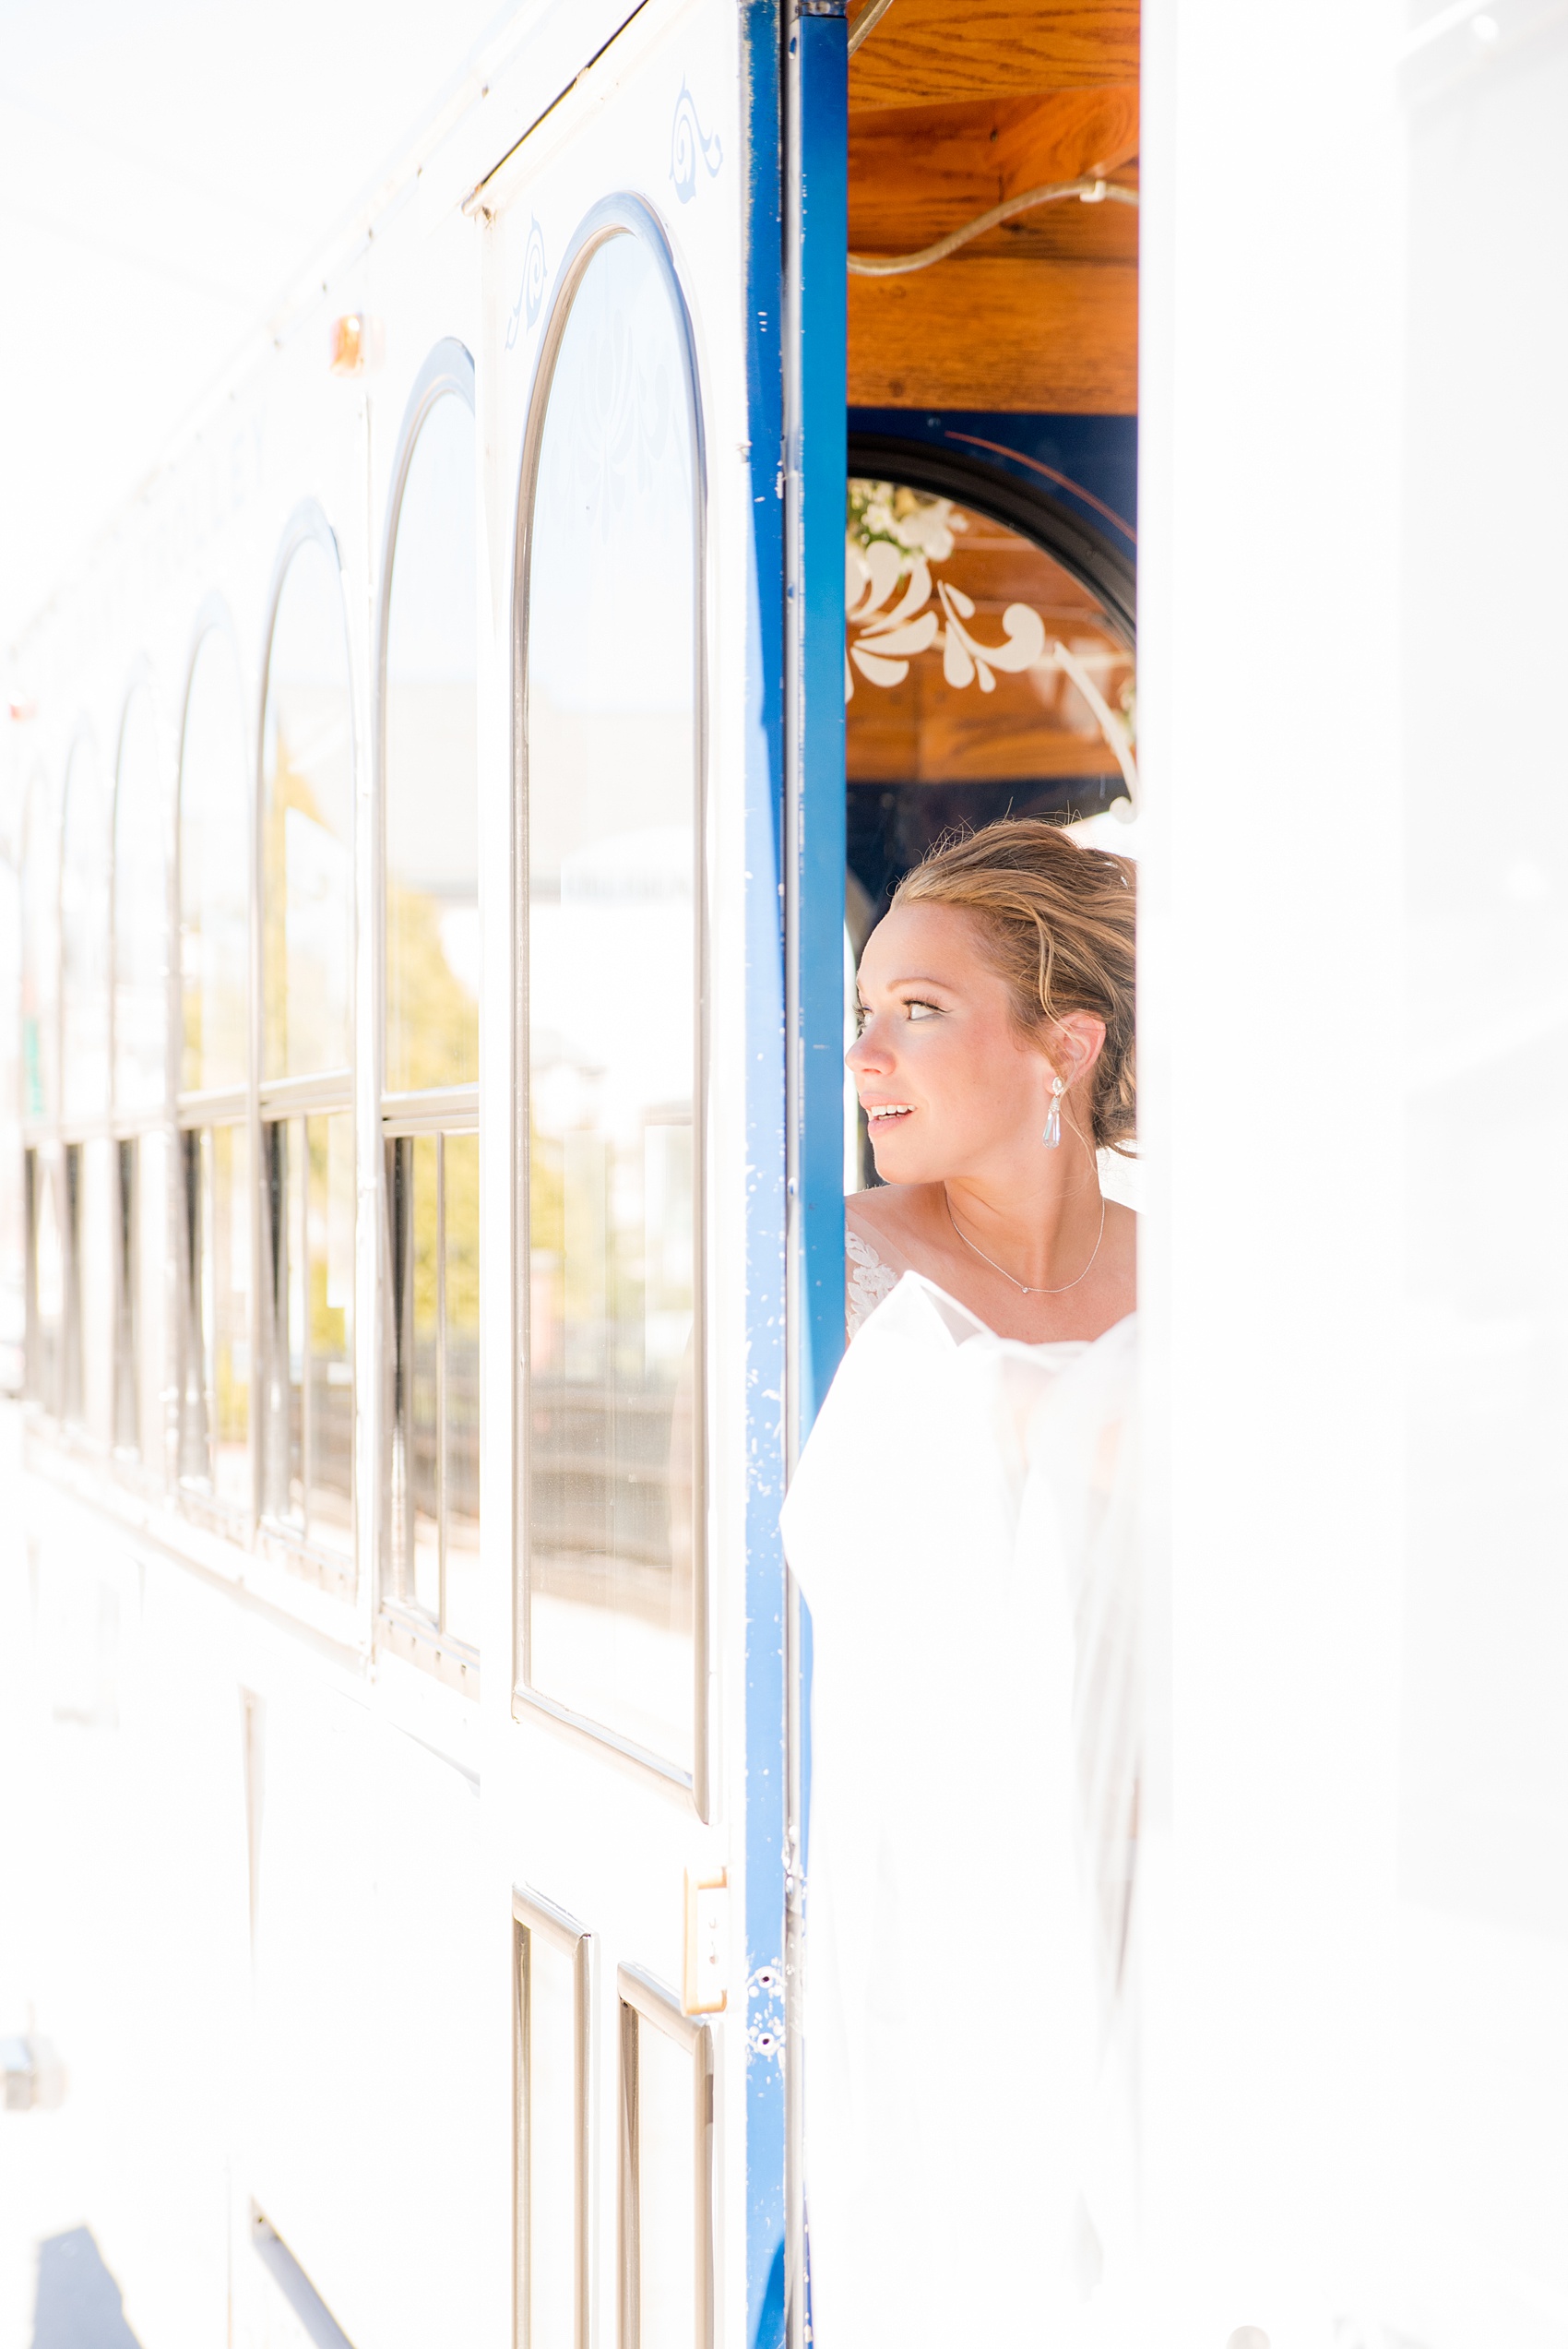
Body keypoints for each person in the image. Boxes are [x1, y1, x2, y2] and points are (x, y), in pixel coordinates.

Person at [780, 819, 1141, 2347]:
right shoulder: (825, 1268)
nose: (864, 1050)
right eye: (864, 1009)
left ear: (1064, 1044)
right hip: (933, 1915)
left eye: (917, 1009)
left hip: (1159, 1880)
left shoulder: (1206, 1266)